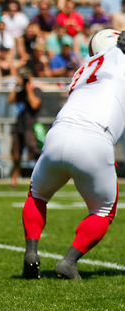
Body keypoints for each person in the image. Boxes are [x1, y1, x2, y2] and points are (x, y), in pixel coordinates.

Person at [21, 29, 124, 280]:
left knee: (37, 194)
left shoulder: (85, 68)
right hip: (95, 138)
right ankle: (68, 262)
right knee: (103, 211)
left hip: (58, 133)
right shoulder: (118, 56)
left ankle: (31, 251)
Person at [8, 68, 42, 188]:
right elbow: (10, 100)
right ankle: (14, 180)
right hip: (19, 126)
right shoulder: (19, 91)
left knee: (34, 153)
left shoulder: (36, 90)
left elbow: (34, 104)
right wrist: (16, 86)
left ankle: (40, 179)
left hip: (30, 127)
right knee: (16, 155)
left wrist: (28, 88)